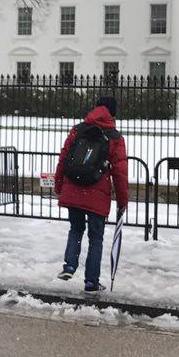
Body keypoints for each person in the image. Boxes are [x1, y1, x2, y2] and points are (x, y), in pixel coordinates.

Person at [53, 96, 129, 292]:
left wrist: (59, 185)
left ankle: (69, 265)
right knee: (96, 239)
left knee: (76, 229)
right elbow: (120, 173)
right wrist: (123, 201)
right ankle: (91, 281)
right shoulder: (115, 137)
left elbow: (64, 158)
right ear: (113, 113)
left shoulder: (78, 129)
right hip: (97, 194)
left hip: (74, 188)